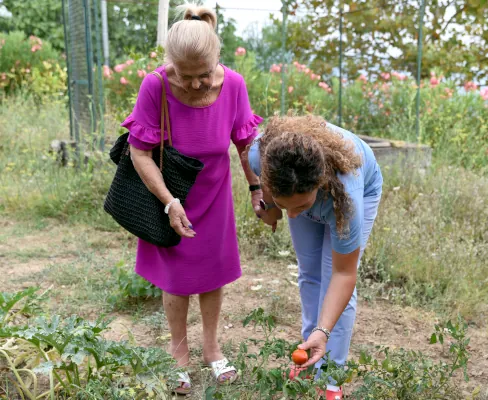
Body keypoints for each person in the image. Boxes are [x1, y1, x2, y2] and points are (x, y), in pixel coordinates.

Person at [122, 3, 263, 394]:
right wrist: (169, 202)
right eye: (187, 77)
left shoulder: (233, 84)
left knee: (213, 273)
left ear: (217, 59)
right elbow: (140, 152)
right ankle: (178, 354)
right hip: (170, 195)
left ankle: (212, 350)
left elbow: (245, 141)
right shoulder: (156, 85)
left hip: (215, 196)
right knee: (176, 277)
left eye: (205, 75)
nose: (198, 85)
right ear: (171, 65)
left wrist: (255, 188)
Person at [245, 115, 383, 399]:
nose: (294, 215)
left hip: (352, 189)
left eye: (302, 205)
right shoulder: (262, 154)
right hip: (300, 189)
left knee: (333, 278)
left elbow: (344, 275)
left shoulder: (348, 198)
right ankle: (308, 354)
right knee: (309, 275)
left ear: (319, 184)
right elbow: (260, 176)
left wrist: (324, 329)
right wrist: (270, 204)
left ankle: (331, 376)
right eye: (288, 207)